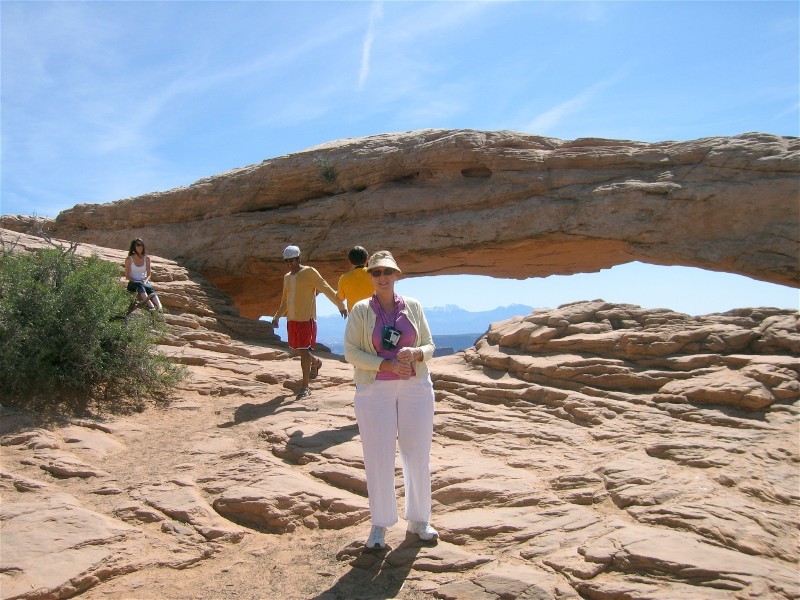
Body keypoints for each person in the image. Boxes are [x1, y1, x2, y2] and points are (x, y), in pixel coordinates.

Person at [343, 250, 438, 550]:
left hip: (415, 386)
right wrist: (385, 365)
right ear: (370, 276)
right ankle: (380, 525)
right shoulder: (361, 310)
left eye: (387, 272)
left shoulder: (412, 306)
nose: (382, 277)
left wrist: (417, 353)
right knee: (378, 455)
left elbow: (429, 344)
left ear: (397, 275)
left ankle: (420, 520)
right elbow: (351, 352)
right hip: (375, 391)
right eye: (376, 272)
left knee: (417, 453)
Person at [272, 245, 347, 399]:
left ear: (299, 258)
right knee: (296, 349)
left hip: (306, 319)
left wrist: (340, 305)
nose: (289, 264)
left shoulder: (309, 272)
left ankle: (305, 386)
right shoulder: (287, 277)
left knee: (304, 350)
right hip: (292, 319)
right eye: (286, 261)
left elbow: (326, 288)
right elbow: (285, 301)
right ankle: (316, 362)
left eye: (291, 260)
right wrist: (277, 316)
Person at [125, 238, 162, 311]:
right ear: (133, 247)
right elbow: (127, 276)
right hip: (133, 283)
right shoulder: (129, 259)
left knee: (150, 287)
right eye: (138, 245)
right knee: (140, 284)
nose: (140, 247)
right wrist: (137, 280)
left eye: (141, 245)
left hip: (143, 281)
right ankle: (151, 305)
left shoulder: (147, 258)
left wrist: (145, 280)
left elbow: (149, 275)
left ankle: (159, 307)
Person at [336, 246, 373, 311]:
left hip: (355, 317)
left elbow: (340, 298)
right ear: (367, 261)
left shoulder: (344, 279)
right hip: (375, 316)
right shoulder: (374, 274)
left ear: (350, 262)